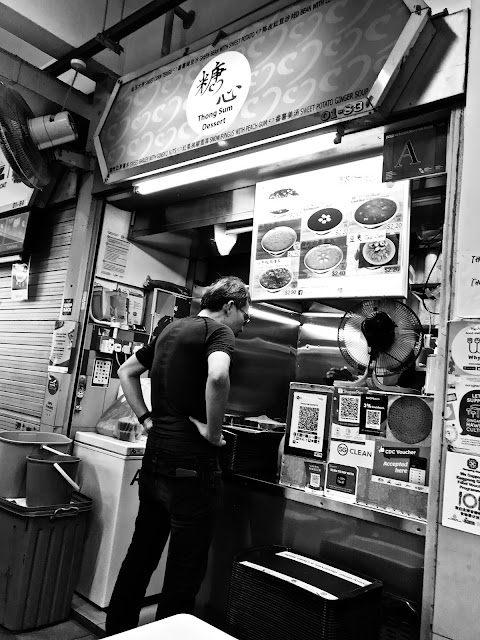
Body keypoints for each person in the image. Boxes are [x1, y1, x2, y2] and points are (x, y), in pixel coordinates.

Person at [105, 275, 251, 636]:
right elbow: (218, 377)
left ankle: (115, 633)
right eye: (244, 315)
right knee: (183, 574)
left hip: (154, 463)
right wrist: (214, 433)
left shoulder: (169, 328)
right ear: (229, 306)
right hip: (192, 470)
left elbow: (126, 371)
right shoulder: (219, 332)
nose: (244, 323)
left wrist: (146, 419)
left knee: (140, 556)